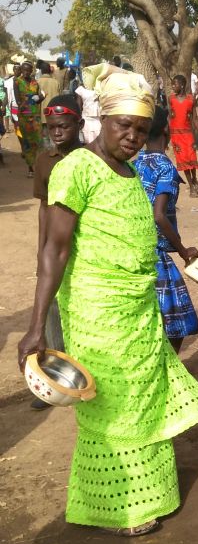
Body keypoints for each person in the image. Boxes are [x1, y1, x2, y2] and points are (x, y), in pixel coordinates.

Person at [17, 63, 198, 535]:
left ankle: (152, 494)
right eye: (123, 125)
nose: (131, 136)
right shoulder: (76, 169)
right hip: (97, 314)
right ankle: (118, 508)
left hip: (140, 312)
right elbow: (54, 248)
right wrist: (36, 325)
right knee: (113, 409)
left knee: (144, 402)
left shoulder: (130, 174)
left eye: (141, 129)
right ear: (102, 121)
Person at [134, 105, 198, 353]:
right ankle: (168, 370)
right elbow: (159, 216)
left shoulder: (135, 163)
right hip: (156, 254)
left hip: (136, 249)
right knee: (176, 321)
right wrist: (183, 250)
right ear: (166, 129)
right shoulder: (164, 168)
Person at [30, 95, 85, 387]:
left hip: (85, 248)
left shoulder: (92, 159)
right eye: (51, 128)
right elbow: (43, 208)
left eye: (63, 126)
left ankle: (87, 371)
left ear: (80, 124)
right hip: (54, 246)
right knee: (50, 307)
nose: (57, 133)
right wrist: (41, 251)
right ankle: (53, 375)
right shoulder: (44, 161)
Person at [168, 74, 198, 195]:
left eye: (174, 84)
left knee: (191, 158)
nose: (172, 86)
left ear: (181, 85)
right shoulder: (171, 99)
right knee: (183, 160)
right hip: (176, 135)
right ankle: (191, 187)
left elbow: (195, 119)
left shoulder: (190, 99)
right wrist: (167, 134)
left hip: (188, 134)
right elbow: (170, 116)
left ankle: (194, 178)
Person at [13, 61, 44, 176]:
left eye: (28, 70)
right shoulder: (17, 82)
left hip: (35, 116)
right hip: (24, 117)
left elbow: (39, 99)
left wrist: (41, 97)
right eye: (24, 70)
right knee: (27, 142)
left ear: (31, 71)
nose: (26, 73)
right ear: (21, 70)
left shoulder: (35, 83)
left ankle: (39, 166)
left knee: (38, 141)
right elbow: (18, 100)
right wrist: (29, 100)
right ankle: (30, 168)